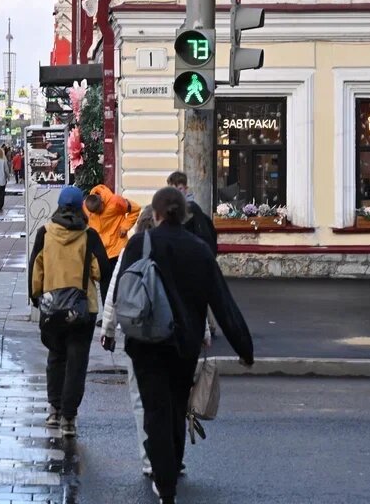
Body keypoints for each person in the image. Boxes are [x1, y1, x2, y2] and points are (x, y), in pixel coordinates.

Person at [106, 187, 255, 504]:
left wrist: (116, 327)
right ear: (185, 215)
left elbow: (121, 292)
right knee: (175, 409)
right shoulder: (199, 249)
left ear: (157, 214)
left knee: (154, 412)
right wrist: (244, 349)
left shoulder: (140, 244)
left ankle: (165, 485)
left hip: (146, 344)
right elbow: (222, 302)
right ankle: (170, 472)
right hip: (184, 346)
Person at [28, 185, 108, 438]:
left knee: (55, 357)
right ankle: (69, 418)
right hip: (83, 308)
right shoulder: (89, 236)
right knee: (77, 362)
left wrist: (37, 299)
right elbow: (101, 271)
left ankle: (54, 409)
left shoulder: (45, 233)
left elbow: (36, 269)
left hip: (52, 307)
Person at [98, 205, 158, 477]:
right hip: (170, 332)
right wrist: (202, 331)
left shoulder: (131, 248)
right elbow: (190, 292)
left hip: (136, 331)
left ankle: (149, 458)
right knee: (170, 397)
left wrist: (108, 329)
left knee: (140, 398)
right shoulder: (173, 247)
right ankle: (171, 454)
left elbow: (115, 289)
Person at [84, 183, 142, 282]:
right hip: (101, 253)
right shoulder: (86, 207)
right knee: (105, 285)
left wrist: (125, 226)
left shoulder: (116, 201)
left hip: (117, 250)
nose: (98, 213)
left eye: (99, 210)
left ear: (102, 201)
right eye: (95, 213)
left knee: (119, 282)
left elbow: (135, 209)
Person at [165, 171, 218, 256]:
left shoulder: (192, 208)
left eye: (180, 189)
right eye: (173, 190)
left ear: (186, 189)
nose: (176, 193)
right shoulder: (166, 209)